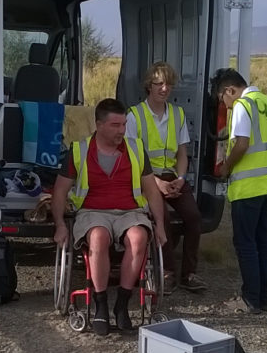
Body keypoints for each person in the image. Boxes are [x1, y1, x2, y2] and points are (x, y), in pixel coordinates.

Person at [52, 98, 168, 336]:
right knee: (98, 237)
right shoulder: (78, 150)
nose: (122, 130)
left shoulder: (135, 149)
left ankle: (123, 303)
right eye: (115, 125)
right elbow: (60, 191)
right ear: (99, 125)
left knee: (138, 239)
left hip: (130, 212)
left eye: (124, 124)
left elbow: (152, 191)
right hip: (93, 212)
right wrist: (60, 225)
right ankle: (101, 303)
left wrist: (161, 225)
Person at [210, 69, 267, 314]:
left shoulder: (243, 106)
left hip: (249, 188)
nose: (223, 105)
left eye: (222, 99)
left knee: (246, 243)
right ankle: (264, 298)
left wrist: (226, 167)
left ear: (229, 90)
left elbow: (242, 144)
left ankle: (249, 299)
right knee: (265, 241)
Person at [126, 62, 207, 294]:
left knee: (193, 216)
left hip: (172, 176)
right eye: (159, 83)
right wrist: (155, 183)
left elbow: (182, 152)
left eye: (168, 84)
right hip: (146, 179)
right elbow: (132, 157)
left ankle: (189, 274)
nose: (164, 88)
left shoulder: (178, 114)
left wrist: (180, 178)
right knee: (163, 219)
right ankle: (168, 272)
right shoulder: (134, 115)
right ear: (148, 86)